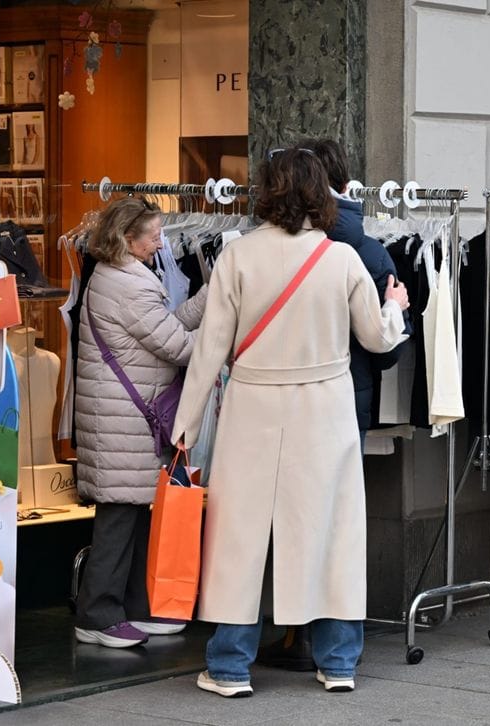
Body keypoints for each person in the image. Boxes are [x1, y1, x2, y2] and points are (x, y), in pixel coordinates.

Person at [171, 147, 409, 697]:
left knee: (239, 536)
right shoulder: (343, 260)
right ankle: (338, 662)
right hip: (325, 408)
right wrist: (394, 304)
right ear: (322, 195)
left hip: (254, 406)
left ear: (268, 192)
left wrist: (184, 429)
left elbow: (208, 352)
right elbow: (376, 339)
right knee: (331, 531)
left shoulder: (236, 257)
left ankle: (230, 666)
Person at [254, 138, 410, 672]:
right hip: (343, 406)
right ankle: (333, 649)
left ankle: (295, 634)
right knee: (332, 524)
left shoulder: (261, 249)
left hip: (276, 404)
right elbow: (385, 348)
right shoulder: (362, 251)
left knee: (282, 520)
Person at [73, 196, 208, 648]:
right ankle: (97, 615)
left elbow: (166, 326)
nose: (160, 242)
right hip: (123, 422)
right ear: (126, 239)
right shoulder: (130, 285)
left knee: (129, 515)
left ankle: (128, 606)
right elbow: (179, 346)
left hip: (119, 419)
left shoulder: (116, 276)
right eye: (152, 234)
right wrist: (218, 326)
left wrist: (209, 298)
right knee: (117, 519)